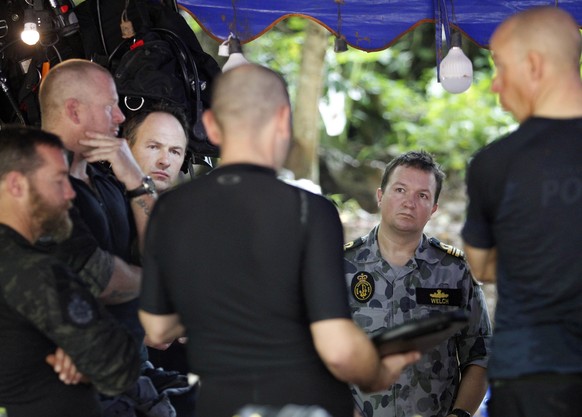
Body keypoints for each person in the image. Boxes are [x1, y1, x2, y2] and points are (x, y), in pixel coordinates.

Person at [138, 64, 420, 417]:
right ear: (283, 120)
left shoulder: (170, 210)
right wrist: (376, 371)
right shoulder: (310, 212)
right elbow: (337, 348)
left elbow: (157, 327)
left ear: (209, 125)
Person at [39, 59, 184, 416]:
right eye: (111, 106)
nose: (120, 117)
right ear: (73, 110)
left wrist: (136, 180)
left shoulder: (108, 184)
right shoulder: (37, 189)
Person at [461, 7, 582, 417]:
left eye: (499, 68)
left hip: (531, 373)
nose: (495, 85)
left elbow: (481, 264)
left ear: (533, 65)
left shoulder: (495, 163)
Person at [0, 126, 141, 417]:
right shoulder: (34, 272)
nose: (69, 193)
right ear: (16, 185)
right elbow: (118, 365)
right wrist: (85, 350)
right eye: (59, 180)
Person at [344, 150, 492, 417]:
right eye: (400, 190)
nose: (409, 202)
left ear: (433, 209)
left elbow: (480, 355)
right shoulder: (340, 267)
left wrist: (460, 415)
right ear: (380, 196)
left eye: (422, 195)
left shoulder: (454, 272)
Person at [124, 105, 189, 193]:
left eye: (174, 152)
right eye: (153, 147)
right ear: (126, 148)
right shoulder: (101, 199)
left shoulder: (194, 205)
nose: (165, 161)